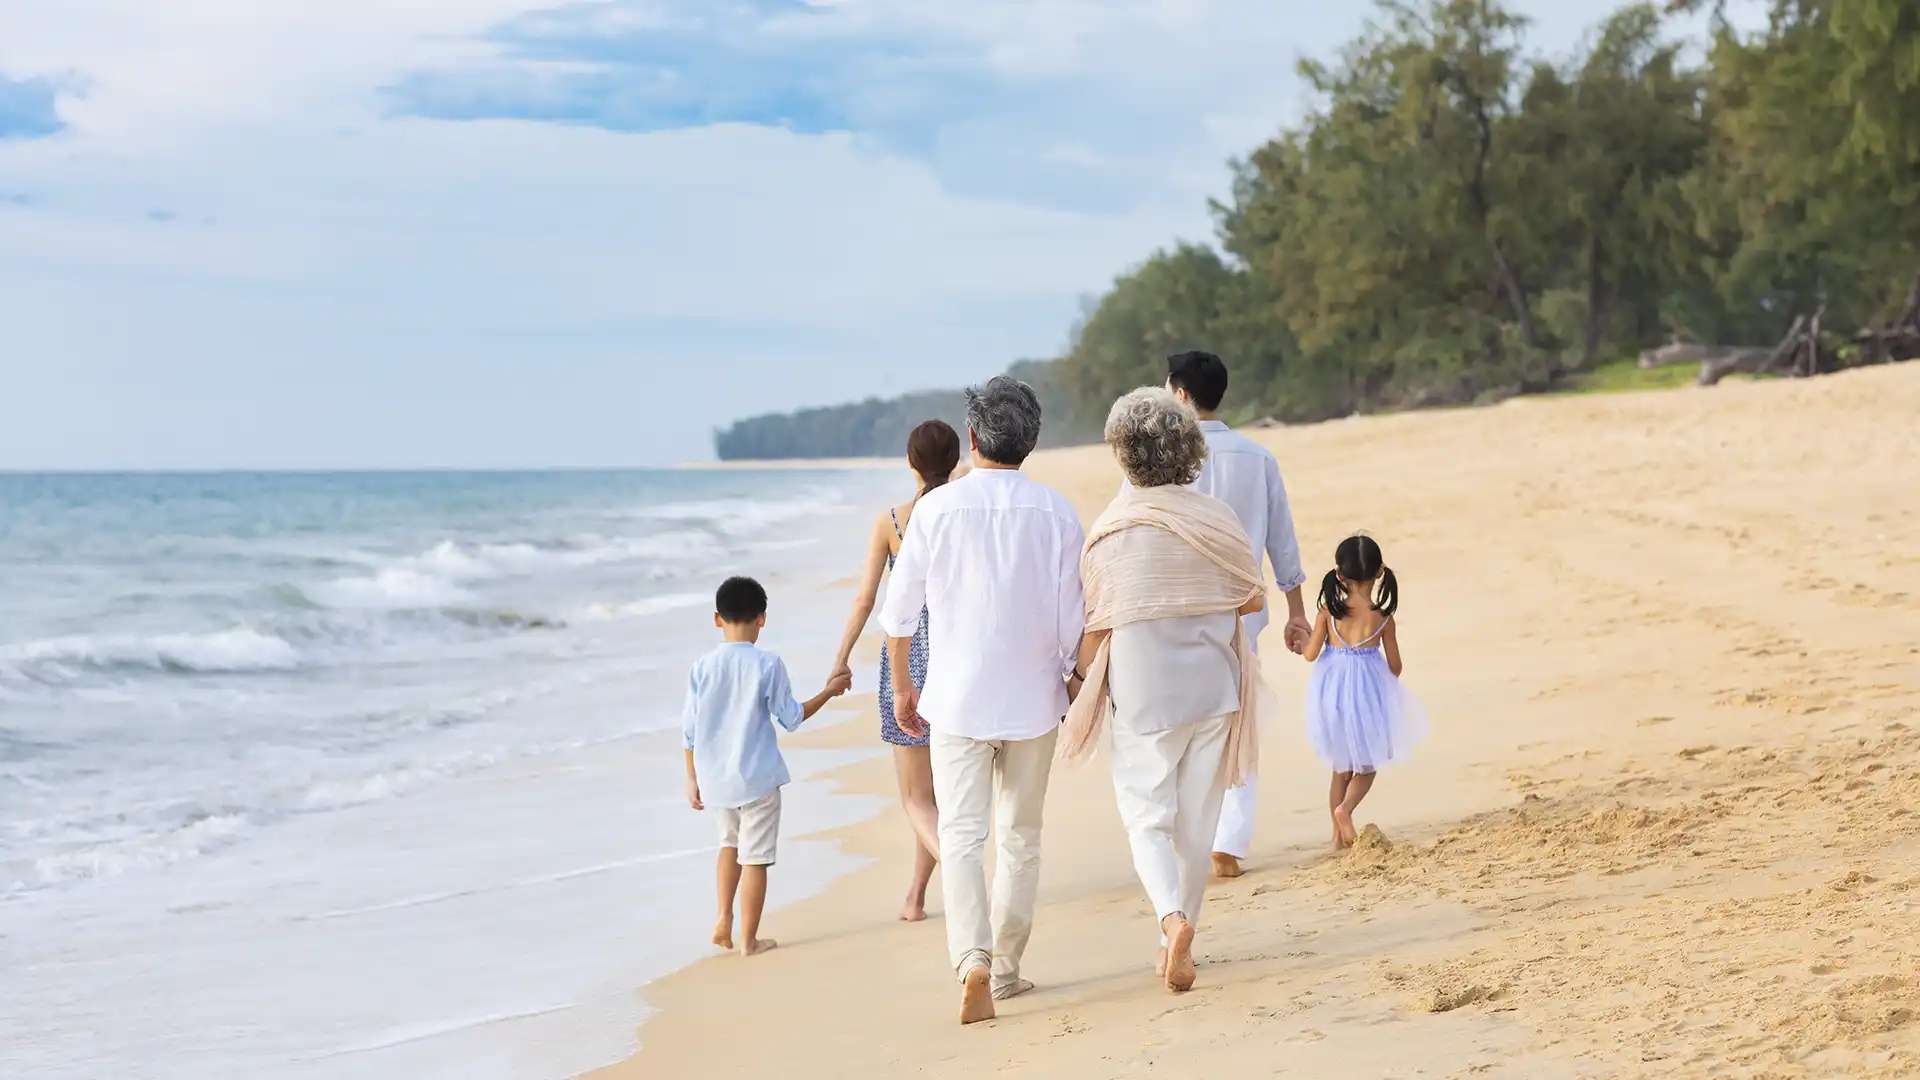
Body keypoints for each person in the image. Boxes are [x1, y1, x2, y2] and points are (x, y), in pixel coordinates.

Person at [878, 375, 1085, 1026]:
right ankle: (1007, 968)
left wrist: (906, 689)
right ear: (1034, 440)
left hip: (957, 699)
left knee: (963, 837)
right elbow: (1075, 624)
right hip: (1033, 697)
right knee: (1021, 837)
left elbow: (899, 616)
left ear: (972, 439)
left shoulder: (934, 512)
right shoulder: (1057, 512)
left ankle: (971, 961)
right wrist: (1074, 685)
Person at [1062, 387, 1271, 994]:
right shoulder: (1217, 517)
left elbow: (1097, 625)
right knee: (1198, 824)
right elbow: (1251, 596)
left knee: (1146, 817)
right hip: (1212, 684)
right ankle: (1176, 940)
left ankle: (1171, 921)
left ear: (1124, 454)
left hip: (1144, 691)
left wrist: (1077, 685)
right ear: (1189, 449)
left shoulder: (1111, 529)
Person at [1163, 350, 1310, 879]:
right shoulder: (1258, 456)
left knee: (1182, 722)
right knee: (1238, 720)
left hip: (1178, 610)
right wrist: (1296, 612)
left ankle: (1188, 837)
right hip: (1243, 613)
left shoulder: (1166, 459)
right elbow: (1281, 540)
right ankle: (1226, 842)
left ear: (1180, 394)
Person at [828, 419, 962, 923]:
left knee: (914, 797)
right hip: (958, 650)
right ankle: (916, 896)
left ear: (910, 464)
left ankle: (962, 873)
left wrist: (840, 658)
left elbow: (868, 598)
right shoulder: (961, 510)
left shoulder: (892, 521)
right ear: (955, 460)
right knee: (941, 797)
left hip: (907, 658)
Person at [683, 576, 851, 956]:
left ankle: (724, 918)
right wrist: (829, 691)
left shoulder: (701, 667)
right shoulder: (768, 664)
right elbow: (791, 718)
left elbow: (688, 731)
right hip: (757, 778)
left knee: (728, 845)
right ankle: (749, 940)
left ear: (716, 619)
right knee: (754, 858)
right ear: (762, 619)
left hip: (715, 780)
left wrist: (692, 778)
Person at [1301, 535, 1427, 849]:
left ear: (1339, 575)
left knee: (1340, 766)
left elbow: (1310, 654)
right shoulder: (1383, 617)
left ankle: (1336, 838)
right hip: (1368, 694)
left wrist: (1304, 638)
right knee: (1368, 764)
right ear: (1380, 571)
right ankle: (1346, 809)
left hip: (1332, 694)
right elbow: (1396, 666)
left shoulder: (1328, 613)